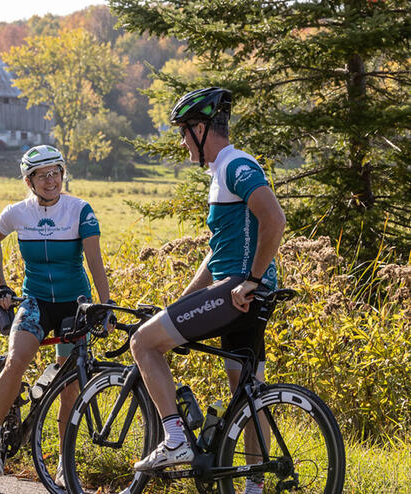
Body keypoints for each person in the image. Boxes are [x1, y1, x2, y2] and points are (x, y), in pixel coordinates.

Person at [129, 88, 286, 494]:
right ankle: (254, 487)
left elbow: (275, 218)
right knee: (248, 395)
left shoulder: (236, 165)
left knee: (143, 343)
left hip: (238, 291)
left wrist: (251, 278)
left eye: (184, 133)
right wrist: (180, 303)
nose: (183, 143)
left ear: (201, 129)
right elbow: (216, 252)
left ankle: (175, 439)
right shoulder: (221, 173)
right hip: (245, 291)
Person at [0, 145, 112, 486]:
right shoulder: (17, 213)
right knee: (17, 359)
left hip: (74, 304)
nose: (51, 180)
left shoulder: (80, 210)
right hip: (36, 300)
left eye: (56, 172)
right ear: (29, 181)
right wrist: (0, 286)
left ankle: (62, 461)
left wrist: (105, 305)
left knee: (68, 383)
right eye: (42, 175)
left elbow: (95, 261)